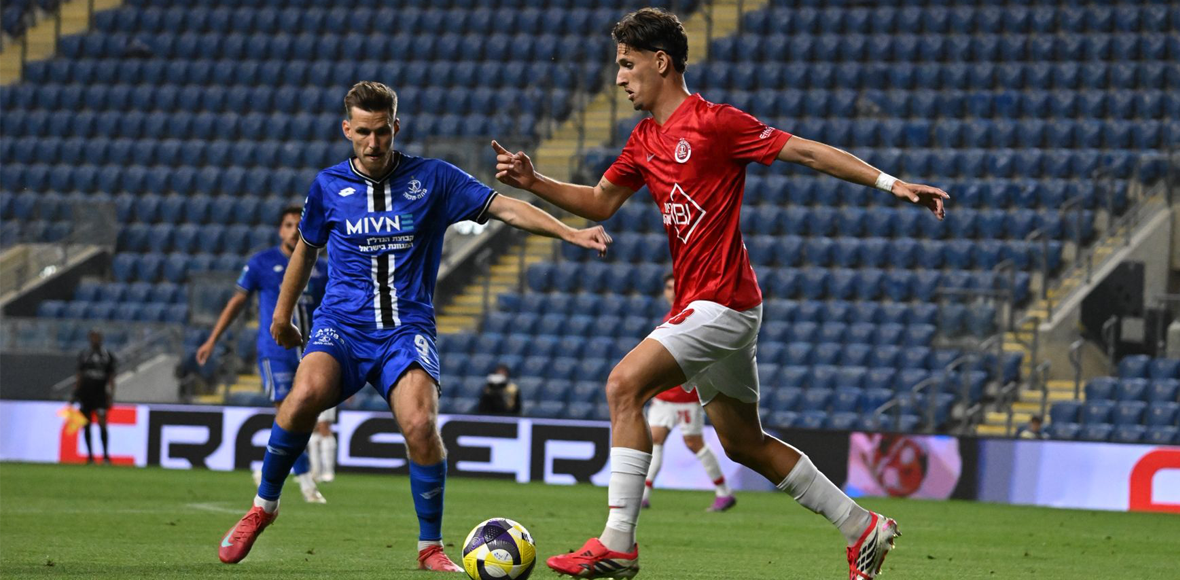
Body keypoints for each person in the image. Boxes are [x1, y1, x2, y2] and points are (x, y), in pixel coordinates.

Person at [492, 9, 947, 578]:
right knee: (743, 443)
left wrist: (890, 182)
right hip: (716, 305)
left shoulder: (716, 122)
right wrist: (535, 182)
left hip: (722, 301)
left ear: (661, 62)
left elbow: (805, 151)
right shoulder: (643, 139)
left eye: (627, 64)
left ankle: (617, 543)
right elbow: (600, 202)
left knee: (623, 385)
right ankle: (862, 527)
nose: (619, 78)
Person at [217, 81, 612, 571]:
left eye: (382, 131)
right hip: (342, 325)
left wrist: (570, 232)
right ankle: (263, 507)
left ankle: (429, 547)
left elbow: (505, 207)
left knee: (422, 425)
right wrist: (281, 314)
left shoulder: (433, 178)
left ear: (396, 127)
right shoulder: (327, 186)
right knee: (303, 396)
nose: (373, 142)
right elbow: (306, 249)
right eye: (363, 132)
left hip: (406, 329)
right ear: (347, 130)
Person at [196, 205, 328, 504]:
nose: (294, 231)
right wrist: (212, 339)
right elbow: (237, 301)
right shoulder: (262, 262)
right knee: (288, 412)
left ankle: (266, 467)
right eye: (288, 225)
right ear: (280, 230)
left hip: (311, 351)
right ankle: (307, 484)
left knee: (303, 417)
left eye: (299, 225)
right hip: (275, 351)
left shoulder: (321, 268)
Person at [642, 273, 735, 512]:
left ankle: (724, 492)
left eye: (676, 287)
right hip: (664, 396)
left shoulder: (693, 316)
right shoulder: (669, 316)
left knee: (693, 443)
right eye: (668, 287)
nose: (671, 291)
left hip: (684, 396)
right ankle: (643, 495)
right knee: (655, 440)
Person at [71, 329, 116, 464]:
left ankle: (105, 456)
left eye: (97, 337)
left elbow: (111, 377)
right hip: (85, 394)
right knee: (86, 424)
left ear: (101, 338)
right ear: (90, 338)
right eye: (93, 337)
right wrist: (76, 392)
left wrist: (111, 395)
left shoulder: (107, 355)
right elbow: (79, 375)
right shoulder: (84, 354)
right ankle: (90, 456)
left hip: (100, 394)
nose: (95, 339)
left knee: (102, 422)